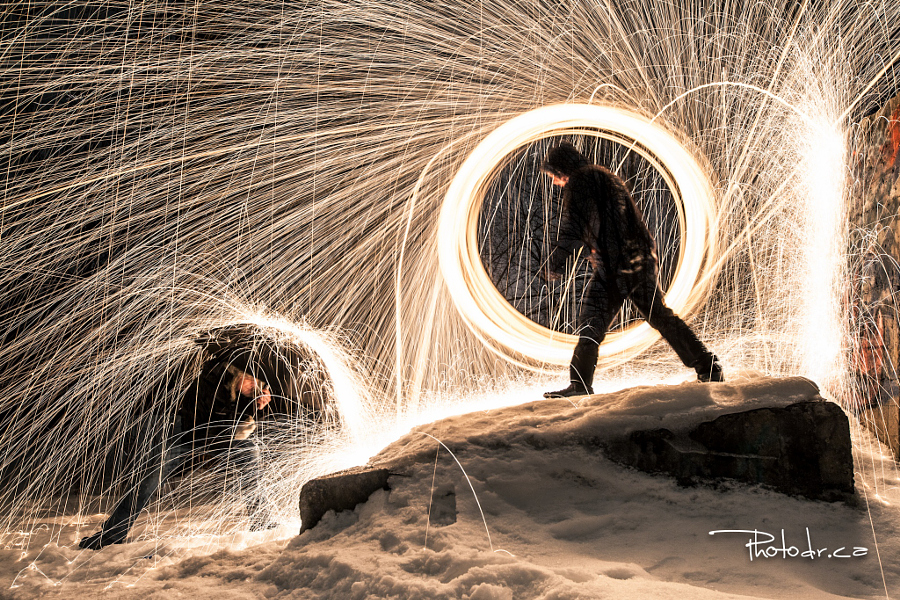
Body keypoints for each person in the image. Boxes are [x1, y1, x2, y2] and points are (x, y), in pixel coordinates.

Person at [79, 326, 305, 550]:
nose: (257, 386)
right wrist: (242, 410)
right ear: (237, 372)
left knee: (249, 454)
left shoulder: (253, 382)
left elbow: (240, 428)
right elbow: (209, 422)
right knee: (150, 477)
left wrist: (254, 405)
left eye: (258, 382)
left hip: (221, 434)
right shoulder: (212, 379)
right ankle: (111, 534)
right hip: (188, 432)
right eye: (252, 382)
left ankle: (261, 520)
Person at [540, 141, 724, 398]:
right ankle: (708, 366)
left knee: (605, 321)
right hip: (630, 260)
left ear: (561, 169)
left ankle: (580, 383)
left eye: (552, 176)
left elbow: (574, 226)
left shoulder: (582, 181)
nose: (554, 183)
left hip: (621, 265)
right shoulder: (605, 176)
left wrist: (556, 261)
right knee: (636, 317)